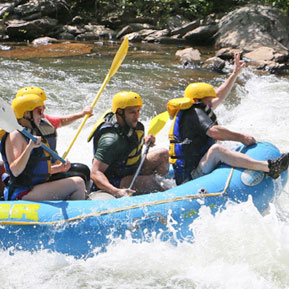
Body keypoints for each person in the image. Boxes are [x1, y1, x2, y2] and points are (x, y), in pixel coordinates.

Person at [168, 53, 289, 185]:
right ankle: (269, 167)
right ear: (197, 101)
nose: (211, 104)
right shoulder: (194, 112)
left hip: (195, 166)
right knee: (217, 150)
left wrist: (234, 74)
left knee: (220, 145)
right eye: (208, 101)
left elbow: (219, 96)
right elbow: (214, 132)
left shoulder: (195, 110)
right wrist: (241, 137)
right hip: (189, 178)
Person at [0, 94, 86, 201]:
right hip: (21, 192)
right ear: (27, 114)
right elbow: (16, 171)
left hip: (32, 188)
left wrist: (57, 169)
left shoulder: (30, 133)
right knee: (78, 183)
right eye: (39, 112)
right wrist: (29, 148)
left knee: (78, 177)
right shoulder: (15, 135)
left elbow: (32, 170)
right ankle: (78, 217)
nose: (43, 116)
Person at [89, 91, 169, 198]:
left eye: (138, 110)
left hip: (130, 169)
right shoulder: (110, 140)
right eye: (132, 112)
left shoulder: (134, 126)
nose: (137, 115)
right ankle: (163, 194)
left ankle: (157, 185)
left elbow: (129, 145)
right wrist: (116, 191)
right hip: (114, 179)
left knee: (163, 154)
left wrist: (144, 140)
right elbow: (95, 173)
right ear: (119, 112)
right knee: (148, 182)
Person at [15, 86, 92, 184]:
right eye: (39, 108)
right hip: (40, 174)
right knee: (81, 173)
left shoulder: (42, 120)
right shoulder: (18, 134)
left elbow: (61, 121)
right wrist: (55, 169)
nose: (42, 111)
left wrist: (81, 114)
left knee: (83, 169)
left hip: (53, 168)